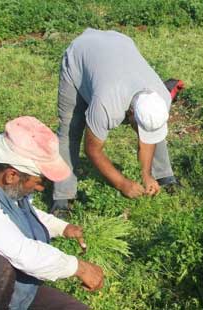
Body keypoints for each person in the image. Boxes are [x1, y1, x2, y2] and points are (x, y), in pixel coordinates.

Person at [0, 116, 104, 309]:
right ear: (12, 175)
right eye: (40, 181)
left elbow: (16, 212)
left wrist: (61, 227)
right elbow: (19, 251)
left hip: (7, 287)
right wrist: (78, 267)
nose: (42, 189)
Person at [52, 28, 184, 215]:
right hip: (82, 53)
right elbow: (92, 150)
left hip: (119, 43)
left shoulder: (161, 97)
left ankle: (164, 176)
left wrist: (145, 174)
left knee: (153, 124)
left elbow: (150, 134)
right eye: (139, 129)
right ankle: (62, 198)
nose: (142, 136)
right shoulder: (107, 105)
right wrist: (121, 183)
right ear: (130, 114)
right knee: (70, 129)